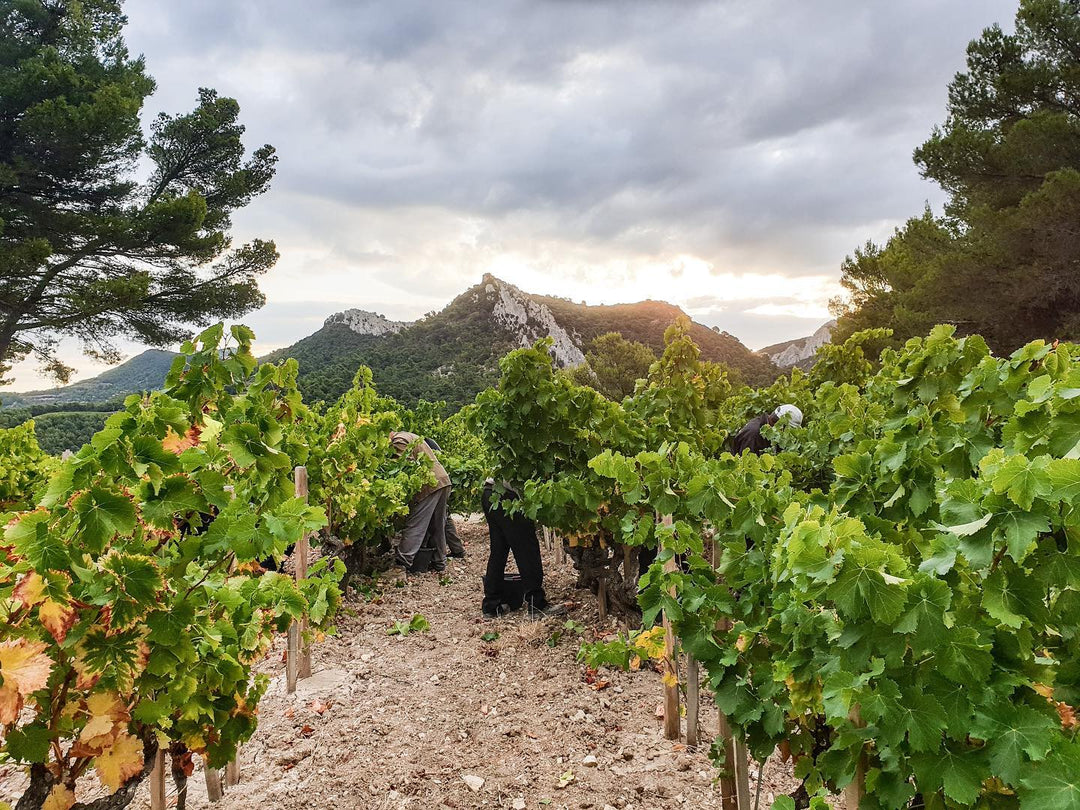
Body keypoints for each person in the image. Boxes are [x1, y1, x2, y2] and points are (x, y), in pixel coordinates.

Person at [481, 478, 566, 618]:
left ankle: (491, 605)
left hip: (490, 492)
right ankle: (537, 604)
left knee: (499, 550)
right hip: (508, 497)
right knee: (527, 550)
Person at [390, 430, 451, 573]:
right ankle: (440, 563)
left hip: (429, 484)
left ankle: (402, 562)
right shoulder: (408, 435)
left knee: (417, 523)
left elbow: (403, 468)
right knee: (437, 525)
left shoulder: (399, 440)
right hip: (442, 480)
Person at [423, 437, 466, 558]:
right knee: (444, 517)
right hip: (442, 478)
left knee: (439, 519)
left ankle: (439, 556)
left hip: (436, 481)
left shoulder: (421, 444)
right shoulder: (427, 441)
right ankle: (457, 550)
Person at [731, 404, 803, 455]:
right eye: (788, 429)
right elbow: (746, 466)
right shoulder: (753, 435)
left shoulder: (771, 433)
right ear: (780, 424)